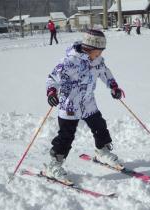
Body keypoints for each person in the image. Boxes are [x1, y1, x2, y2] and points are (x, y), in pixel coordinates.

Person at [45, 29, 124, 184]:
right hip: (70, 105)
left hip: (88, 102)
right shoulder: (69, 62)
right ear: (89, 49)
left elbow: (105, 73)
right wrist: (51, 92)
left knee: (100, 126)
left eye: (101, 52)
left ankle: (102, 151)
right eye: (98, 52)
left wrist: (114, 86)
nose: (100, 55)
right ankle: (53, 165)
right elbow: (52, 78)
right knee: (66, 136)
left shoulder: (97, 61)